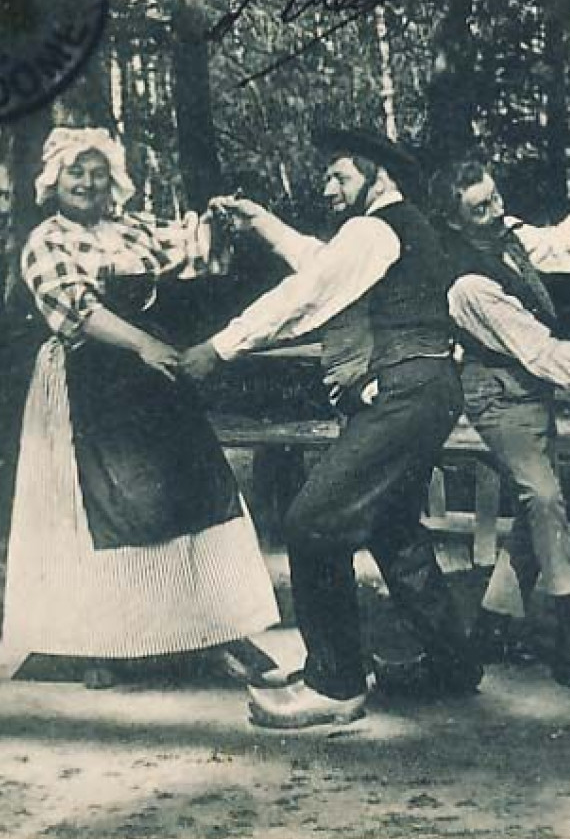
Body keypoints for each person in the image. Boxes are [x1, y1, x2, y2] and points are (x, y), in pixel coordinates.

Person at [183, 128, 480, 729]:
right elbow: (323, 264)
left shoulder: (374, 229)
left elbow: (307, 292)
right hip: (425, 388)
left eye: (339, 175)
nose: (327, 186)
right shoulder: (399, 227)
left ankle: (335, 685)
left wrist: (220, 346)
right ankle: (452, 664)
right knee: (393, 526)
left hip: (403, 390)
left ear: (378, 175)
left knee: (313, 522)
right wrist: (261, 220)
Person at [3, 127, 282, 690]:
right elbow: (77, 309)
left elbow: (192, 249)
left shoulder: (133, 228)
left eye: (96, 172)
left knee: (198, 491)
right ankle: (100, 643)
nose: (85, 182)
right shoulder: (46, 241)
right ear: (53, 181)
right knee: (98, 507)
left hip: (154, 378)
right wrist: (141, 343)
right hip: (89, 376)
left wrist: (224, 218)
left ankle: (220, 627)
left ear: (114, 181)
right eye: (74, 173)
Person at [435, 160, 570, 686]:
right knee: (545, 497)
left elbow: (560, 246)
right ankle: (568, 627)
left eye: (495, 196)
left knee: (539, 507)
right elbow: (536, 348)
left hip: (531, 392)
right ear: (456, 221)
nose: (497, 210)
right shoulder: (467, 283)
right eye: (480, 208)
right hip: (497, 395)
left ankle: (490, 624)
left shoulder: (508, 235)